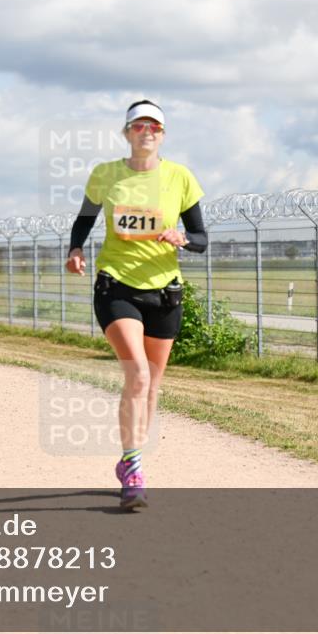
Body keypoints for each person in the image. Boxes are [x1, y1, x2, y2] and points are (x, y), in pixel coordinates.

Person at [65, 100, 207, 509]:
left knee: (153, 385)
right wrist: (76, 249)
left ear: (163, 135)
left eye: (155, 127)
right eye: (139, 126)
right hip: (117, 287)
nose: (147, 132)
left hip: (165, 292)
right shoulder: (106, 175)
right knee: (139, 375)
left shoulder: (180, 177)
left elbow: (201, 238)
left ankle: (134, 457)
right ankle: (132, 467)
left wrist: (183, 239)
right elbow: (84, 219)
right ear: (126, 133)